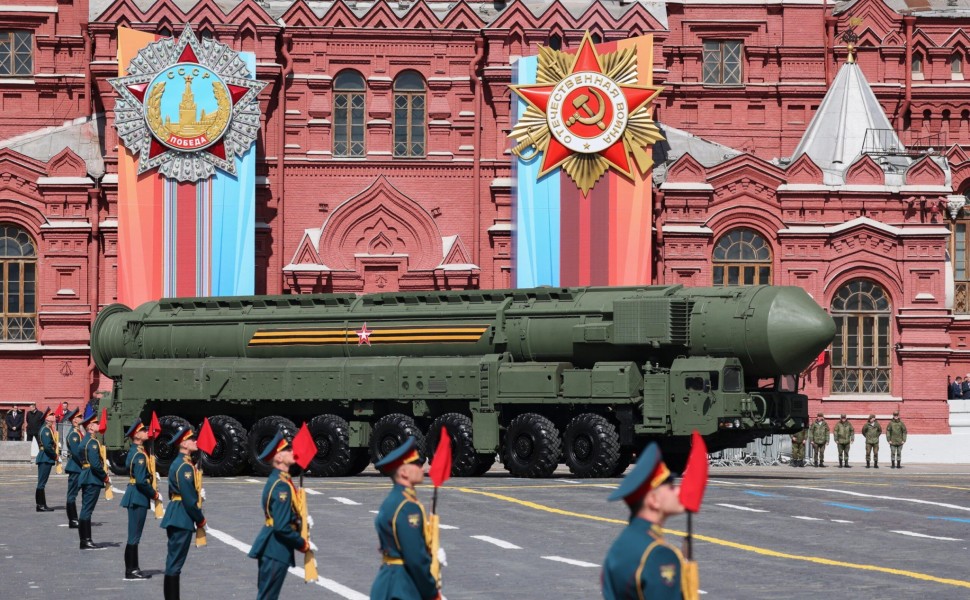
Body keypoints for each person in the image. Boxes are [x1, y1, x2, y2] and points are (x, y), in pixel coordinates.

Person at [602, 442, 692, 599]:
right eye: (670, 487)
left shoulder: (621, 545)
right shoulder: (660, 555)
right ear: (654, 500)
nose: (678, 490)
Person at [370, 436, 440, 600]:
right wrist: (432, 592)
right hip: (403, 588)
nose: (422, 468)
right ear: (403, 472)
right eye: (416, 464)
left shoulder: (391, 501)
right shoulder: (407, 507)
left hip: (387, 582)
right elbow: (415, 557)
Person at [248, 431, 311, 600]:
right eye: (287, 449)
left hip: (272, 547)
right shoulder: (281, 487)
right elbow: (282, 527)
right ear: (279, 458)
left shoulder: (280, 481)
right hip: (276, 548)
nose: (293, 452)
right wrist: (302, 543)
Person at [161, 425, 206, 600]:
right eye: (193, 439)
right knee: (175, 564)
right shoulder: (185, 467)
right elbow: (188, 499)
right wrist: (200, 519)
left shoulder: (181, 463)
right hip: (182, 516)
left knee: (174, 561)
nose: (196, 442)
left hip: (176, 513)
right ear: (185, 443)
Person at [121, 418, 160, 580]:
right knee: (134, 535)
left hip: (134, 494)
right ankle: (131, 570)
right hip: (138, 495)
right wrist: (154, 494)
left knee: (134, 534)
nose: (147, 432)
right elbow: (141, 481)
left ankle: (133, 568)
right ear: (136, 435)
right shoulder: (140, 455)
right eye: (143, 430)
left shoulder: (136, 451)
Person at [78, 409, 109, 549]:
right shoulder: (93, 442)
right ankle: (86, 540)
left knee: (85, 508)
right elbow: (96, 464)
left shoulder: (85, 441)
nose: (98, 425)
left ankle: (84, 540)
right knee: (87, 510)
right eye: (95, 423)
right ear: (90, 427)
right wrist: (105, 476)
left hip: (85, 475)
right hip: (92, 478)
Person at [35, 407, 58, 512]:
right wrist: (55, 456)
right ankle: (40, 505)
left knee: (42, 482)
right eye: (51, 415)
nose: (54, 417)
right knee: (42, 482)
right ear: (47, 418)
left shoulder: (47, 429)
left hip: (45, 456)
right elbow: (48, 446)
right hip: (45, 457)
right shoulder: (46, 430)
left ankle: (41, 504)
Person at [64, 408, 83, 528]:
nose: (80, 419)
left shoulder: (78, 432)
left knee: (75, 494)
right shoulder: (74, 434)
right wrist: (86, 463)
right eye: (78, 417)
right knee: (72, 494)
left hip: (78, 467)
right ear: (74, 420)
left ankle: (75, 518)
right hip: (76, 467)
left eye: (80, 417)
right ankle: (73, 519)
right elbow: (77, 453)